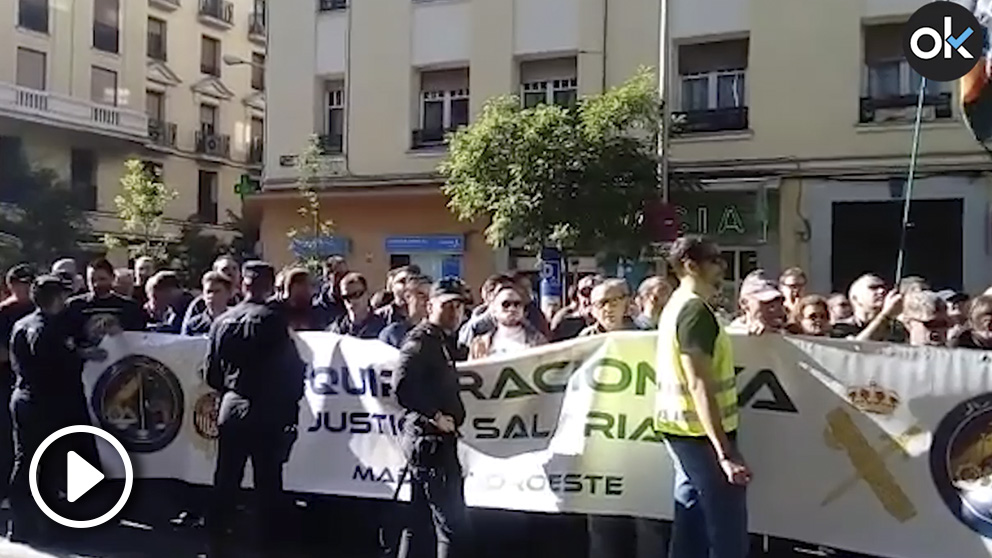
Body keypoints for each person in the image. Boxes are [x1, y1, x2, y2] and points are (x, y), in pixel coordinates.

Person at [655, 235, 750, 558]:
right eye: (714, 259)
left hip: (683, 429)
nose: (721, 265)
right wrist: (724, 452)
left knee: (690, 520)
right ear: (690, 265)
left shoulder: (680, 305)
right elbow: (699, 384)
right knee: (727, 531)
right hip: (702, 435)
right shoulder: (694, 311)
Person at [204, 261, 306, 554]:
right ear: (271, 285)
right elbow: (290, 370)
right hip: (267, 408)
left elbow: (211, 373)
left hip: (232, 406)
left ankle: (217, 543)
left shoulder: (222, 321)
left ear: (243, 285)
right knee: (267, 482)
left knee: (225, 479)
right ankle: (267, 547)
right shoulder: (273, 320)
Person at [8, 275, 106, 543]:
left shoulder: (23, 323)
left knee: (27, 461)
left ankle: (22, 524)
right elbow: (58, 363)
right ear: (56, 298)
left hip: (25, 398)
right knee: (46, 463)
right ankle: (46, 524)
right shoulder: (46, 329)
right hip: (49, 402)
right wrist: (83, 354)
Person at [395, 278, 470, 558]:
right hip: (430, 443)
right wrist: (435, 415)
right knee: (451, 528)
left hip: (430, 443)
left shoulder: (441, 341)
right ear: (430, 306)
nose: (454, 312)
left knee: (418, 523)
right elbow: (402, 386)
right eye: (447, 305)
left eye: (459, 306)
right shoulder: (421, 340)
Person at [0, 264, 35, 504]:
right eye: (22, 283)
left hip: (31, 384)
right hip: (5, 382)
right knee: (5, 442)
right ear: (11, 284)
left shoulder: (38, 310)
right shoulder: (4, 312)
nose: (26, 288)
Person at [65, 258, 146, 348]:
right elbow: (67, 339)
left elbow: (138, 339)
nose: (96, 284)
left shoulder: (130, 308)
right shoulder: (75, 306)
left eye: (102, 279)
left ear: (113, 278)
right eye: (92, 280)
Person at [468, 284, 546, 358]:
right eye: (506, 304)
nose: (512, 309)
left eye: (517, 304)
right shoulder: (480, 344)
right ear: (494, 310)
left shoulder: (539, 341)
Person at [834, 274, 907, 343]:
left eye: (884, 287)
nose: (882, 291)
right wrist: (886, 315)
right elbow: (857, 348)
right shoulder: (840, 328)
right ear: (855, 298)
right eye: (873, 288)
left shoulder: (897, 328)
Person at [182, 256, 243, 330]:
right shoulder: (199, 304)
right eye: (225, 269)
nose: (231, 273)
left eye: (234, 269)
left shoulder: (244, 300)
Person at [328, 272, 387, 339]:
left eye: (356, 294)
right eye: (346, 297)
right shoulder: (335, 331)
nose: (352, 301)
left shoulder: (382, 327)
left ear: (367, 294)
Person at [380, 275, 431, 348]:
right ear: (408, 296)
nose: (427, 300)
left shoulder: (440, 333)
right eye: (421, 294)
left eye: (430, 296)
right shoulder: (393, 334)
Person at [551, 274, 604, 341]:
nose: (588, 300)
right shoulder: (567, 322)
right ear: (577, 296)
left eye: (594, 293)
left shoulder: (609, 320)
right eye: (585, 293)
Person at [182, 271, 234, 336]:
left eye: (217, 291)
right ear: (203, 295)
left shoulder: (236, 322)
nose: (211, 295)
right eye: (209, 292)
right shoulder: (194, 325)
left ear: (228, 294)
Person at [314, 256, 349, 326]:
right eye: (339, 274)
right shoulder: (318, 308)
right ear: (327, 277)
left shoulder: (352, 302)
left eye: (346, 274)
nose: (344, 278)